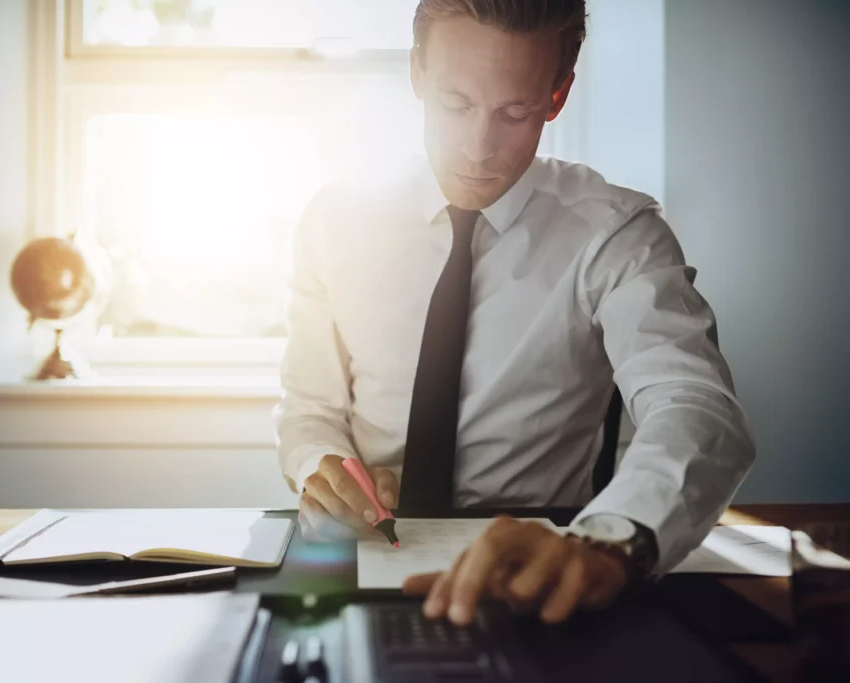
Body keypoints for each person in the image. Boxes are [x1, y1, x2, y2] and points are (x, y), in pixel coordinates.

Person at [274, 0, 755, 627]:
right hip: (354, 560)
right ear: (416, 73)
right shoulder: (334, 219)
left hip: (540, 574)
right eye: (455, 104)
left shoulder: (618, 235)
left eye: (515, 111)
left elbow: (693, 403)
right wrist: (320, 467)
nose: (478, 147)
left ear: (557, 96)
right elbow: (310, 408)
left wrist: (610, 541)